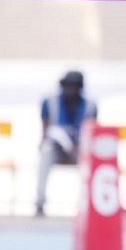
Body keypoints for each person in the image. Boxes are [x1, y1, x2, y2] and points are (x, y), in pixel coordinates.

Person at [36, 70, 97, 216]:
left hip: (78, 149)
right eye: (68, 86)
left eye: (74, 86)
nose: (70, 90)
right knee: (46, 150)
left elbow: (92, 133)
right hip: (56, 148)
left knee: (90, 157)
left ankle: (88, 204)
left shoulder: (90, 106)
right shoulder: (49, 103)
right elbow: (45, 131)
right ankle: (40, 202)